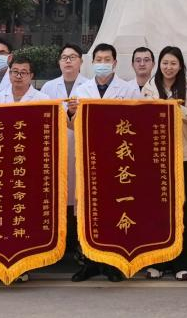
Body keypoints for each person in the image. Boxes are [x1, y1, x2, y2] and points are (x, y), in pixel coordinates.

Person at [42, 45, 108, 283]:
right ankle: (67, 252)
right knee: (63, 204)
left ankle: (94, 257)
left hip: (88, 153)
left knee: (89, 206)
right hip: (58, 151)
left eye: (72, 57)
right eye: (64, 57)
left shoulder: (87, 87)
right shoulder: (48, 88)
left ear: (81, 61)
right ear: (59, 62)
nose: (68, 61)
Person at [141, 46, 187, 281]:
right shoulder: (149, 88)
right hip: (158, 158)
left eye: (173, 63)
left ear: (180, 65)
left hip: (186, 156)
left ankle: (183, 263)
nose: (168, 67)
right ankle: (158, 261)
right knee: (158, 211)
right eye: (165, 63)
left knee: (186, 210)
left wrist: (176, 109)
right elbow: (142, 118)